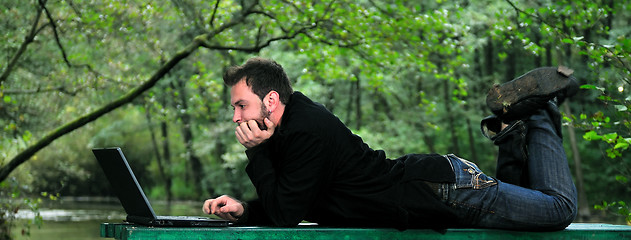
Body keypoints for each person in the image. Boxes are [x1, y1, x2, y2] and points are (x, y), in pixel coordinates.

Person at [202, 57, 578, 230]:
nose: (236, 117)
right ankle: (511, 124)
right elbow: (294, 199)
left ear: (270, 101)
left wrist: (257, 152)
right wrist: (245, 210)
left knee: (559, 209)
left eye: (241, 105)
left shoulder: (305, 130)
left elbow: (286, 215)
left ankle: (539, 110)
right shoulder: (290, 129)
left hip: (446, 192)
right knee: (534, 201)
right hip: (439, 188)